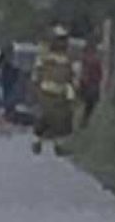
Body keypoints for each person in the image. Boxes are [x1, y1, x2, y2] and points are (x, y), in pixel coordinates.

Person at [31, 24, 77, 154]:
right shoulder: (45, 56)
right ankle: (37, 142)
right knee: (44, 117)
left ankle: (59, 146)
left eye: (63, 39)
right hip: (46, 91)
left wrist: (71, 89)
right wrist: (35, 88)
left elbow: (71, 75)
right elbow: (37, 72)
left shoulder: (67, 57)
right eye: (59, 39)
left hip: (60, 93)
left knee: (60, 120)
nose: (61, 43)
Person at [78, 40, 104, 128]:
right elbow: (100, 75)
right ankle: (84, 121)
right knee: (89, 107)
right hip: (92, 85)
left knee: (85, 105)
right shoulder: (95, 60)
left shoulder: (86, 59)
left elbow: (85, 73)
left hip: (88, 85)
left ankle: (83, 121)